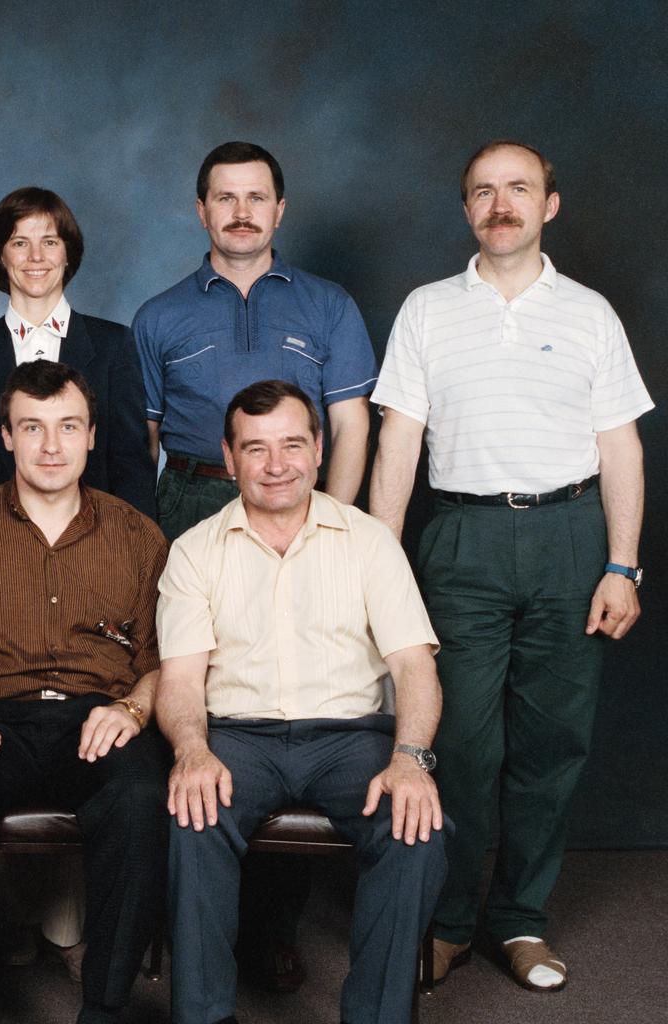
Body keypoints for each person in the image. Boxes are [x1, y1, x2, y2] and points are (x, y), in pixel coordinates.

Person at [370, 140, 652, 992]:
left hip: (571, 538)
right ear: (465, 210)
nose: (501, 204)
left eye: (518, 189)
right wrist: (377, 571)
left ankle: (521, 921)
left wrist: (623, 566)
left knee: (552, 745)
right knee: (456, 744)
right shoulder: (426, 309)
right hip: (460, 542)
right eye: (484, 191)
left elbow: (621, 448)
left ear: (549, 205)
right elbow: (397, 446)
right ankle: (449, 920)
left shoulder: (592, 314)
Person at [158, 379, 448, 1024]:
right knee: (192, 816)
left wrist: (410, 758)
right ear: (229, 459)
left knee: (415, 828)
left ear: (319, 450)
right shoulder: (193, 551)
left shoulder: (371, 541)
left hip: (352, 738)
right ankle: (203, 1015)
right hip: (238, 736)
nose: (276, 464)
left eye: (292, 444)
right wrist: (192, 750)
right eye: (255, 449)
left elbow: (413, 667)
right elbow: (179, 681)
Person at [0, 360, 169, 1024]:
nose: (51, 446)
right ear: (6, 437)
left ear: (90, 436)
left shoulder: (139, 537)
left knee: (142, 797)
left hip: (101, 715)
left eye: (67, 427)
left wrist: (135, 709)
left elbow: (167, 662)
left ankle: (105, 1006)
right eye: (33, 428)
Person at [134, 141, 377, 541]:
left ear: (279, 210)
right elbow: (144, 439)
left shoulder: (331, 305)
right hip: (191, 502)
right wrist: (141, 530)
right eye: (226, 198)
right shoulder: (157, 316)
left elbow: (351, 425)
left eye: (256, 198)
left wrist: (332, 522)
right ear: (201, 211)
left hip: (298, 497)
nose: (242, 214)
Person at [0, 186, 155, 520]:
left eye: (50, 242)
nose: (36, 257)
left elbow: (133, 467)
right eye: (20, 243)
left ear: (67, 253)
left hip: (94, 546)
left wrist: (125, 549)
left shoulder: (113, 346)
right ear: (0, 255)